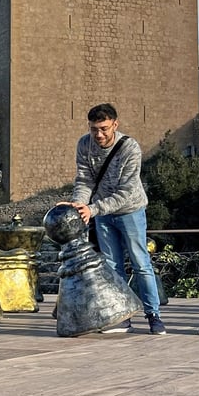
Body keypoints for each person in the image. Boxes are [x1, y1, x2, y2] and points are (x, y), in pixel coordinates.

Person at [61, 103, 166, 335]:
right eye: (94, 129)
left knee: (141, 264)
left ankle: (154, 316)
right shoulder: (84, 144)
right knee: (111, 267)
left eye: (104, 129)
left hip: (130, 211)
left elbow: (126, 191)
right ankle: (122, 316)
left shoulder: (130, 148)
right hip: (102, 214)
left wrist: (93, 209)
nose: (98, 134)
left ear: (115, 125)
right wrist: (80, 205)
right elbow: (85, 179)